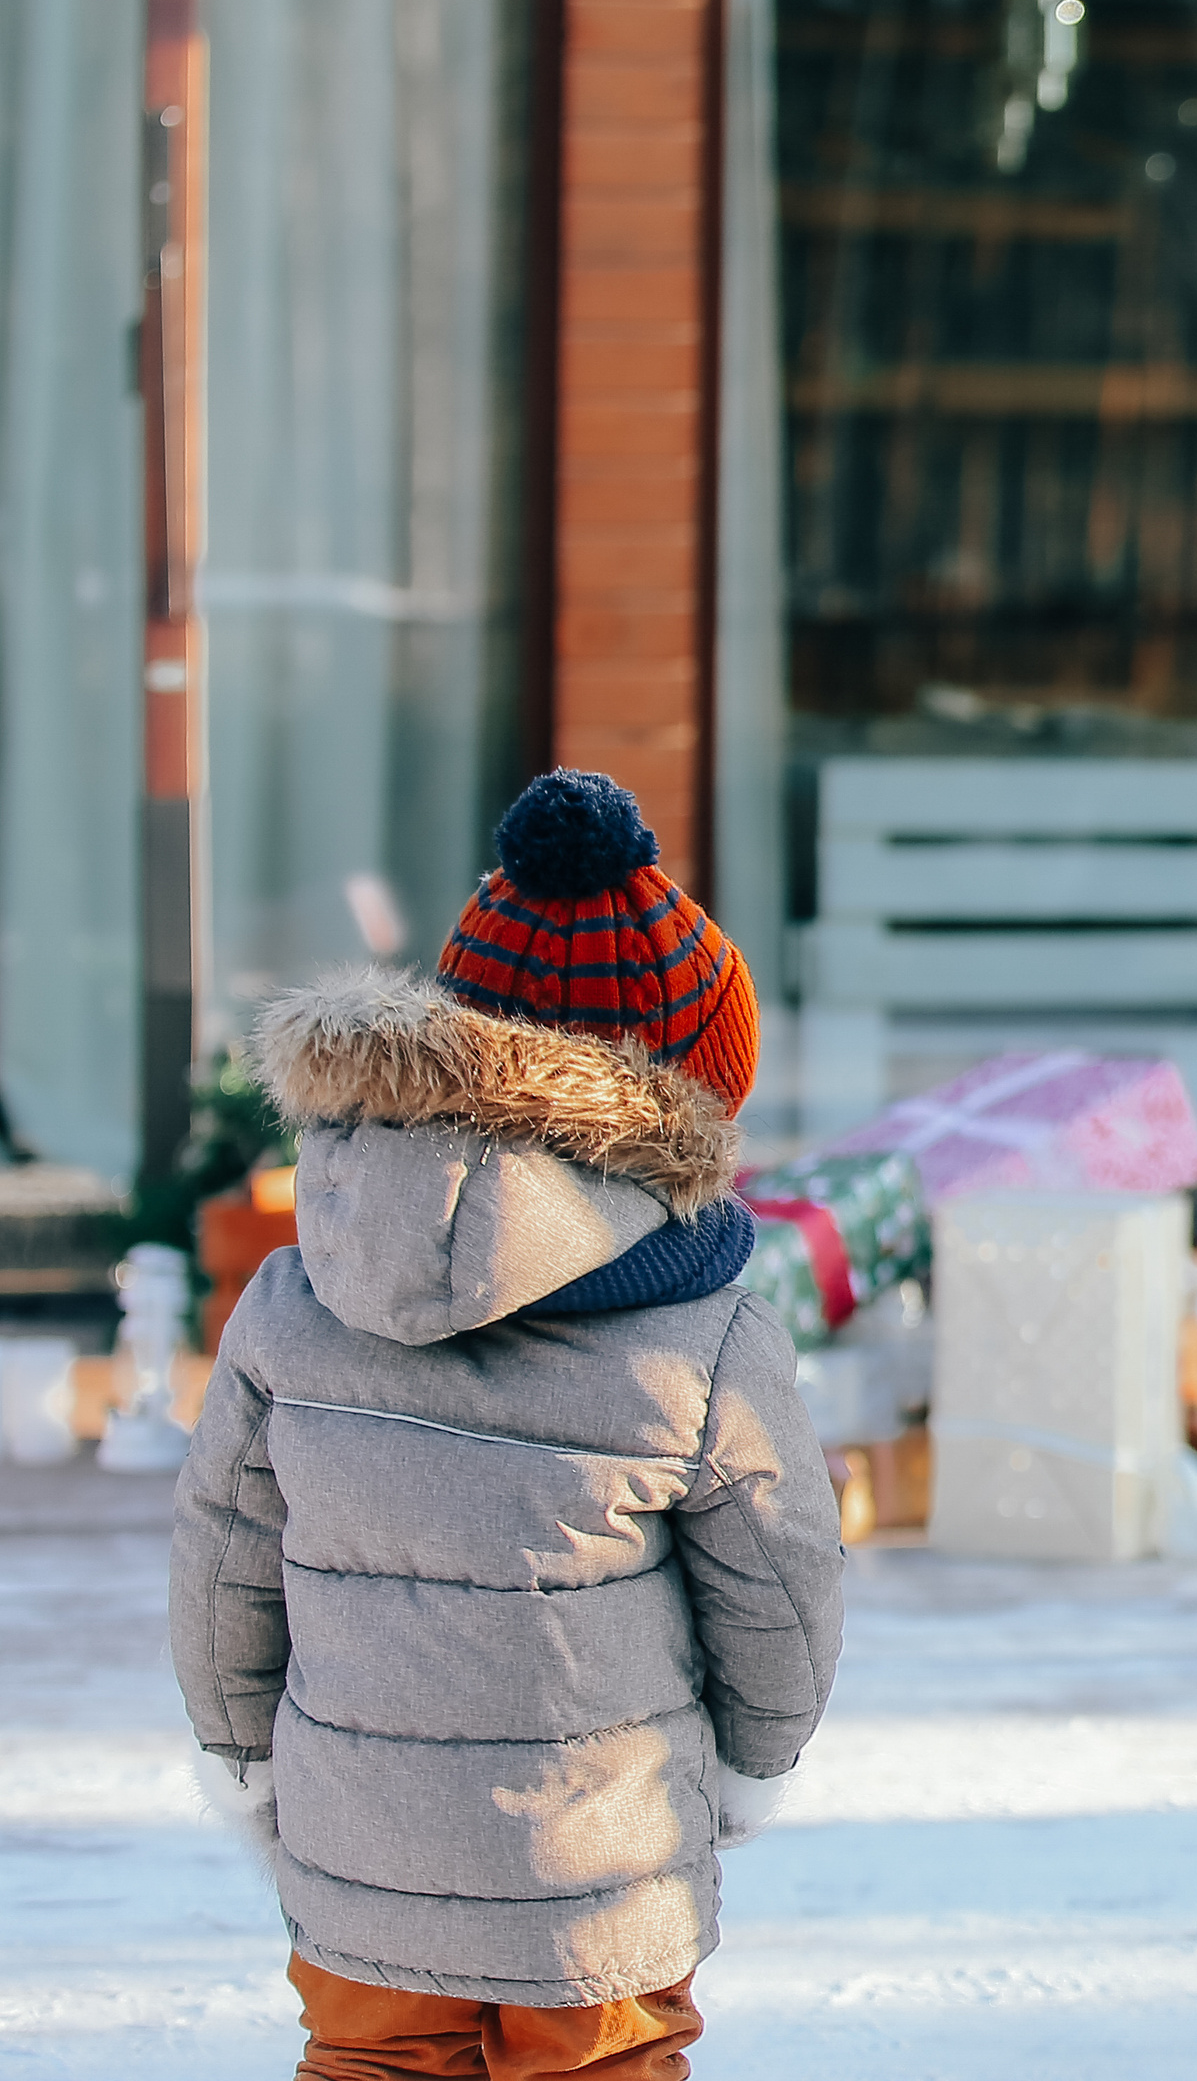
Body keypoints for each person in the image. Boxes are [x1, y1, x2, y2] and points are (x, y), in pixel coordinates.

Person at [170, 769, 844, 2081]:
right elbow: (781, 1578)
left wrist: (242, 1753)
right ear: (689, 1096)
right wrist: (756, 1762)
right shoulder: (704, 1337)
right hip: (601, 1871)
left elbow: (221, 1554)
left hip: (361, 1853)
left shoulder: (298, 1291)